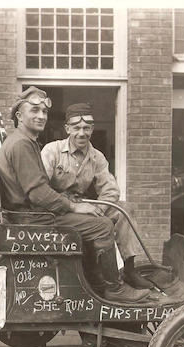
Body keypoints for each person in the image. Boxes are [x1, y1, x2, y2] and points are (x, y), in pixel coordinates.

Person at [0, 87, 151, 303]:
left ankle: (117, 273)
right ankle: (113, 289)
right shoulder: (27, 145)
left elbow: (109, 189)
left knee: (119, 211)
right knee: (103, 226)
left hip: (38, 212)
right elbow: (39, 193)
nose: (41, 116)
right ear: (19, 116)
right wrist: (74, 206)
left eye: (44, 111)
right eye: (34, 110)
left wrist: (92, 208)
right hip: (36, 216)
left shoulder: (26, 142)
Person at [41, 103, 154, 290]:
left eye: (86, 128)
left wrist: (100, 209)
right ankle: (107, 281)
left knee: (124, 209)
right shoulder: (51, 151)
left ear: (92, 129)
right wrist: (66, 203)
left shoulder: (97, 157)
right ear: (67, 129)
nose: (81, 133)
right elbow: (40, 188)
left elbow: (110, 189)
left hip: (84, 207)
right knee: (103, 225)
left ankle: (130, 269)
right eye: (76, 128)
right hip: (58, 210)